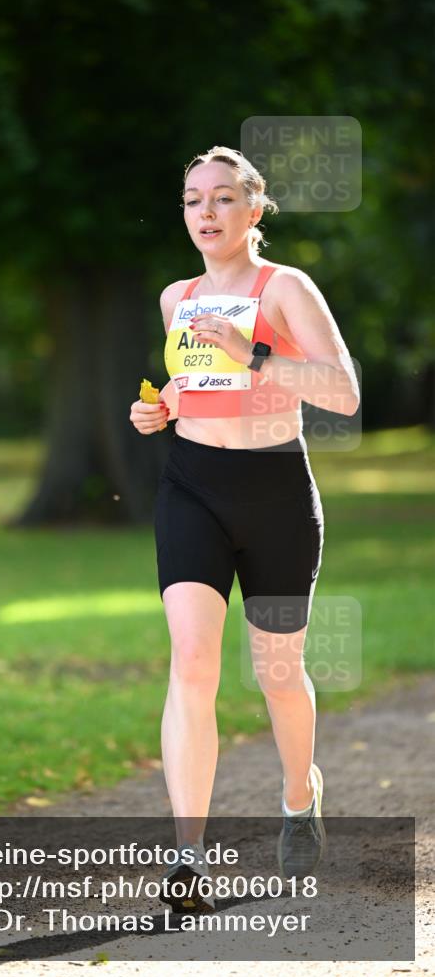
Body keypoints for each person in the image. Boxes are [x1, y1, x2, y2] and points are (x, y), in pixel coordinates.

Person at [129, 145, 359, 914]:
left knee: (277, 674)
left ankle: (298, 797)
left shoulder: (284, 287)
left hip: (275, 494)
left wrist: (254, 354)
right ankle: (187, 858)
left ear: (253, 210)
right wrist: (159, 408)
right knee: (192, 661)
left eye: (223, 198)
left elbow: (343, 392)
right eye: (192, 199)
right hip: (191, 486)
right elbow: (191, 385)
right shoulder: (176, 297)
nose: (206, 212)